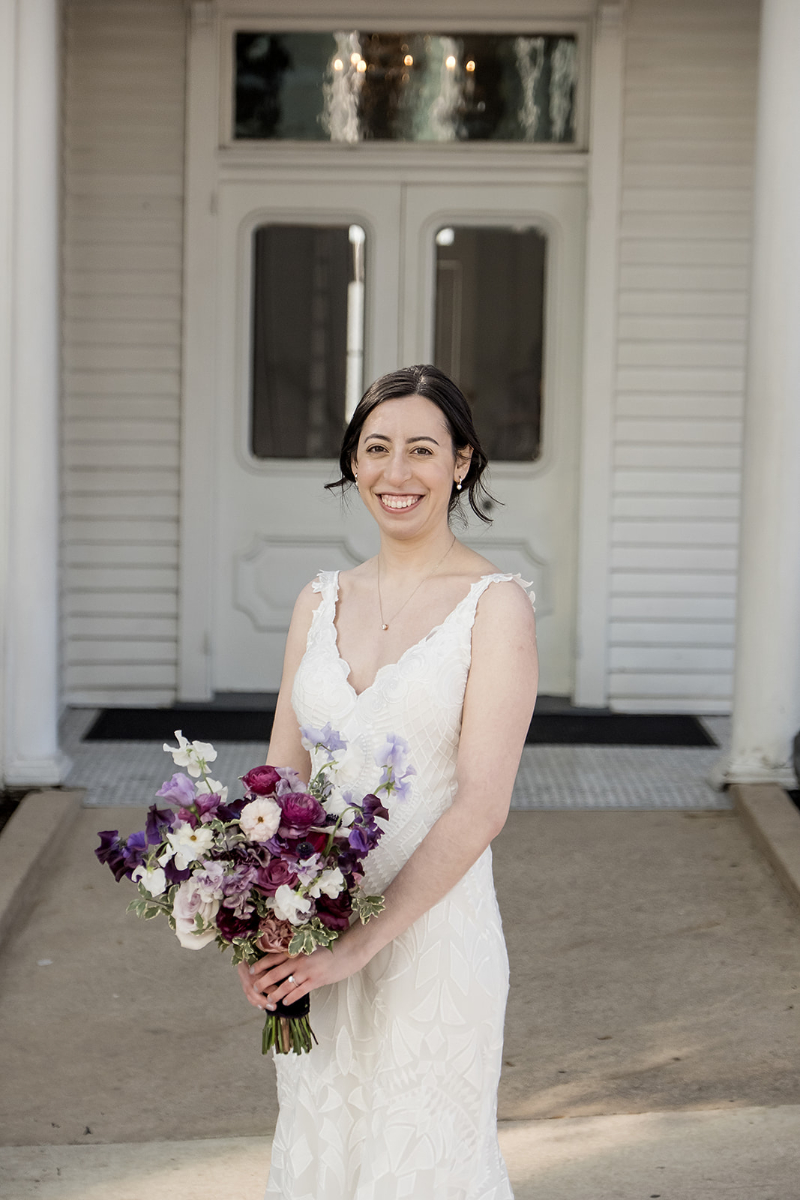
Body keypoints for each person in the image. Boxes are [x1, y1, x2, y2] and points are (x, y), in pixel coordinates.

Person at [238, 364, 538, 1199]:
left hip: (434, 942)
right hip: (316, 939)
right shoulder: (318, 600)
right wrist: (260, 931)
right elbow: (278, 785)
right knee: (321, 1150)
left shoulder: (495, 606)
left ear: (461, 463)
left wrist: (358, 947)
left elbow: (481, 806)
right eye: (375, 449)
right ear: (353, 463)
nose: (395, 473)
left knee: (423, 1167)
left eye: (420, 450)